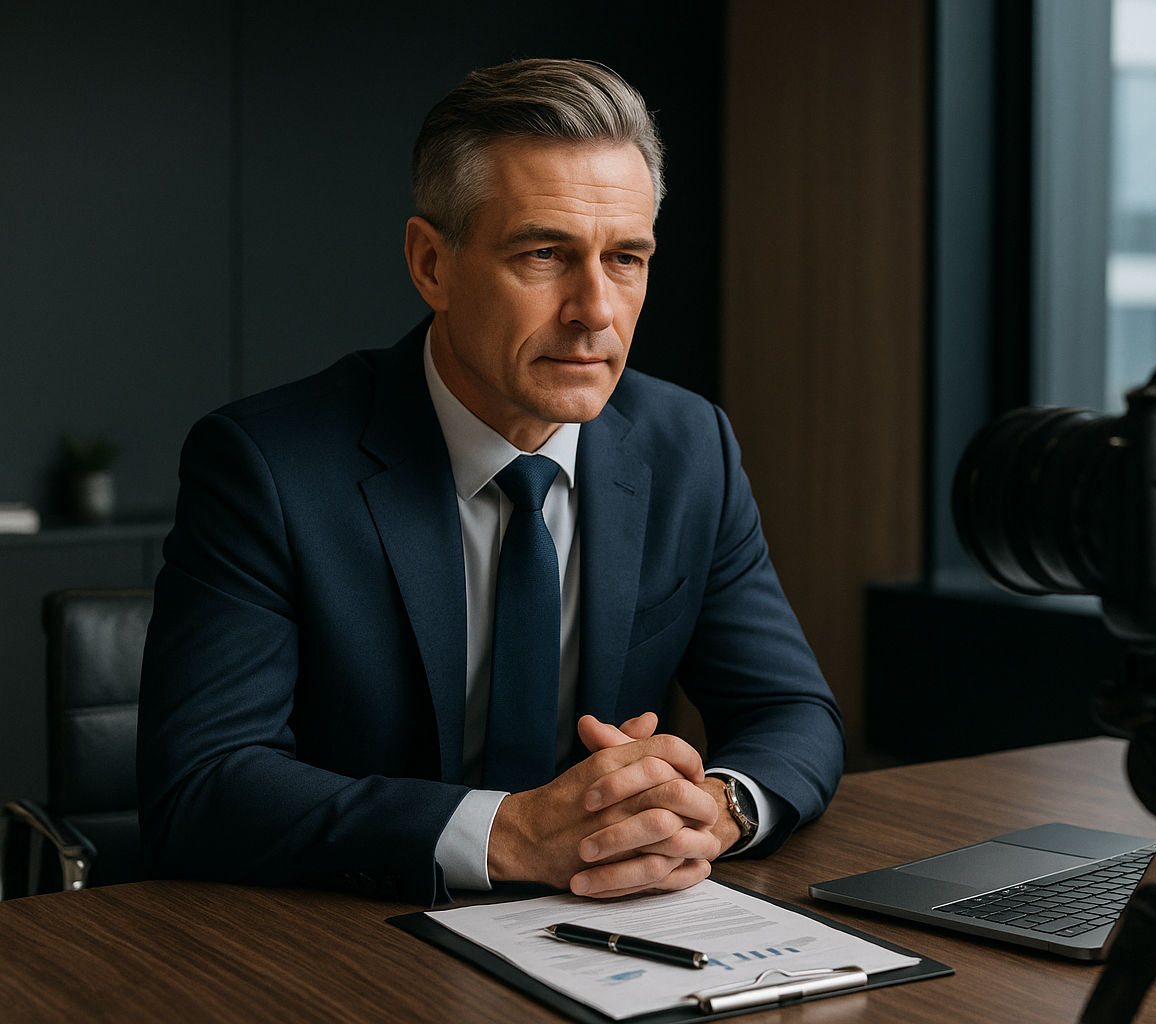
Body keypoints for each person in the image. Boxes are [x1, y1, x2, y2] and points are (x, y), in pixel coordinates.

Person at [136, 59, 844, 908]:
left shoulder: (690, 446)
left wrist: (715, 811)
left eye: (626, 258)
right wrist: (509, 834)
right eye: (545, 254)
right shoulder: (266, 466)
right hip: (351, 931)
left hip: (608, 926)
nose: (596, 311)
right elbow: (203, 783)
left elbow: (791, 709)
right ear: (431, 264)